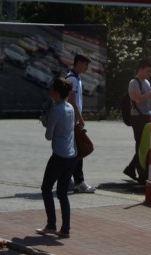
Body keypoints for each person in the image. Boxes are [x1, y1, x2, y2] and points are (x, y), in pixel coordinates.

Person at [37, 77, 76, 238]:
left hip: (59, 155)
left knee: (46, 188)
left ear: (58, 92)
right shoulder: (70, 108)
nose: (49, 91)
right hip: (71, 155)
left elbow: (48, 136)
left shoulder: (56, 110)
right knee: (62, 193)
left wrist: (45, 121)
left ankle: (51, 225)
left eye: (52, 88)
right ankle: (65, 229)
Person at [124, 58, 151, 184]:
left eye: (150, 72)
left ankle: (132, 169)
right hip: (137, 117)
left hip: (146, 116)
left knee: (145, 144)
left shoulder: (146, 82)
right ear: (140, 70)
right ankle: (139, 172)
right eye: (148, 71)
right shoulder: (134, 82)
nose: (149, 74)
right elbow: (139, 100)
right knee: (141, 145)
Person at [66, 53, 95, 194]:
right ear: (78, 63)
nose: (87, 67)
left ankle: (68, 180)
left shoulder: (76, 78)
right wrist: (80, 118)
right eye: (85, 64)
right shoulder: (72, 78)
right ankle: (79, 182)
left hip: (72, 120)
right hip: (72, 120)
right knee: (79, 151)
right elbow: (71, 99)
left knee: (74, 152)